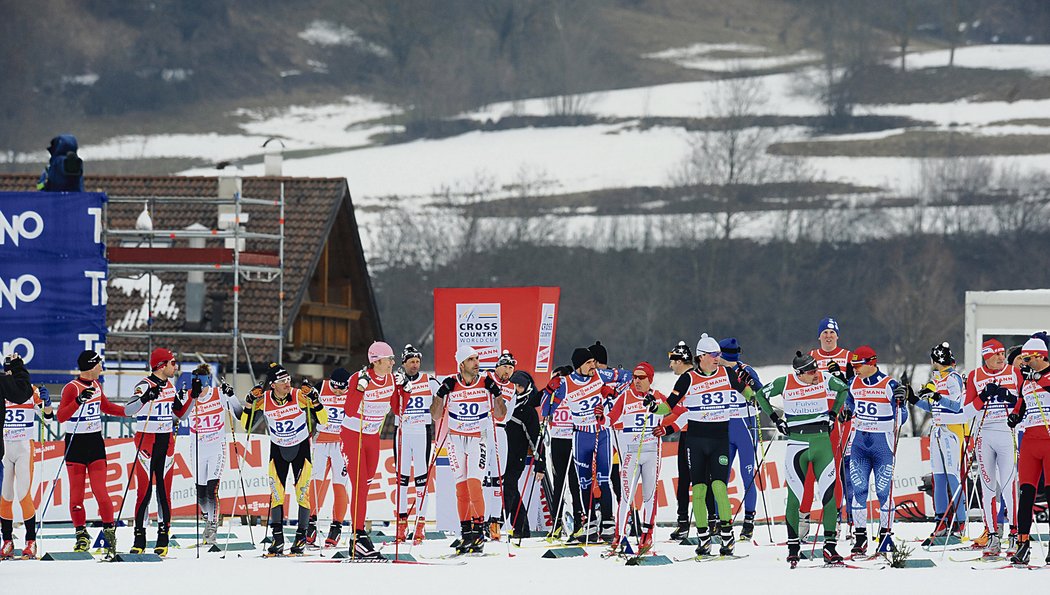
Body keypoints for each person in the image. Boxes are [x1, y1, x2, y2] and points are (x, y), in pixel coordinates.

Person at [650, 333, 754, 557]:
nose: (718, 358)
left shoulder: (727, 373)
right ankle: (704, 539)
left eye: (719, 354)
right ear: (701, 357)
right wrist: (652, 407)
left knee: (718, 487)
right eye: (714, 355)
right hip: (695, 441)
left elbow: (747, 392)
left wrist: (754, 393)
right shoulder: (687, 379)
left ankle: (727, 537)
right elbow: (668, 407)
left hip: (719, 439)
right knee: (698, 490)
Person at [753, 351, 850, 567]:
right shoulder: (785, 382)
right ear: (799, 372)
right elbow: (760, 395)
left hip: (822, 443)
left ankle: (830, 546)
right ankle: (793, 547)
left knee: (828, 495)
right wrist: (776, 419)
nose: (816, 374)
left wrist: (834, 413)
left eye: (817, 369)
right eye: (811, 371)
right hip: (797, 444)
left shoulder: (824, 378)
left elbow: (843, 388)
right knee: (795, 496)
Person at [242, 362, 327, 556]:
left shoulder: (299, 395)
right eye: (282, 381)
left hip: (300, 450)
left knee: (302, 494)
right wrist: (248, 404)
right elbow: (246, 425)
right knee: (277, 494)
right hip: (278, 450)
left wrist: (315, 400)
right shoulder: (263, 400)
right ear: (272, 384)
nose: (287, 384)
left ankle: (301, 537)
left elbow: (323, 420)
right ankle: (277, 538)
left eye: (288, 379)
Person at [543, 346, 625, 543]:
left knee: (604, 479)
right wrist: (549, 390)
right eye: (588, 363)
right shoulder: (567, 383)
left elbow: (626, 376)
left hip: (601, 433)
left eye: (593, 362)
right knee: (584, 482)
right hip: (581, 435)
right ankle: (588, 523)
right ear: (579, 365)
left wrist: (613, 392)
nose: (593, 365)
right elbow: (546, 409)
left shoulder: (599, 375)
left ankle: (607, 522)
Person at [433, 346, 506, 554]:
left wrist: (496, 393)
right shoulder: (451, 383)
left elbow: (500, 415)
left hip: (478, 438)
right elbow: (436, 415)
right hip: (455, 438)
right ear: (462, 363)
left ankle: (478, 534)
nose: (477, 363)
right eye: (472, 359)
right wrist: (440, 394)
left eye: (477, 358)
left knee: (475, 484)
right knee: (461, 488)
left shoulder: (485, 382)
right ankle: (466, 534)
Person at [56, 350, 130, 556]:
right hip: (76, 445)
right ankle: (81, 535)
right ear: (90, 366)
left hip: (95, 443)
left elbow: (106, 407)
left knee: (100, 491)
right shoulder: (71, 388)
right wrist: (78, 401)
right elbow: (61, 416)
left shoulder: (97, 385)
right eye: (99, 364)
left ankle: (109, 533)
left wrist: (130, 410)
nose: (101, 367)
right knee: (76, 496)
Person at [123, 348, 193, 556]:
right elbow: (128, 410)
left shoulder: (170, 386)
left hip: (165, 441)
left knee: (164, 492)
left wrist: (193, 397)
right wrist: (145, 398)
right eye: (172, 363)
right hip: (146, 440)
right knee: (144, 492)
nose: (176, 366)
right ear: (162, 365)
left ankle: (163, 537)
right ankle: (139, 539)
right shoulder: (144, 384)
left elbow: (180, 414)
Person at [846, 345, 909, 555]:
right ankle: (860, 538)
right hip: (859, 446)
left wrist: (902, 403)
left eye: (858, 365)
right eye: (853, 365)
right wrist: (846, 412)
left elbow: (903, 419)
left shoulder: (888, 384)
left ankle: (885, 536)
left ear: (871, 363)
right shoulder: (853, 383)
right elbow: (849, 403)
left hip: (883, 446)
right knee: (859, 490)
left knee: (884, 492)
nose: (855, 369)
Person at [342, 342, 400, 559]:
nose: (393, 363)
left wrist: (405, 390)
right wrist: (360, 389)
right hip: (352, 435)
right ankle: (357, 536)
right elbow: (348, 410)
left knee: (365, 486)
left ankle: (358, 537)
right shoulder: (359, 378)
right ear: (376, 361)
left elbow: (397, 408)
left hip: (372, 437)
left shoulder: (392, 379)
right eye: (389, 359)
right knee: (358, 484)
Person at [965, 338, 1022, 555]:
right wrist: (982, 397)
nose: (1001, 357)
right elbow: (967, 411)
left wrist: (1008, 397)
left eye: (1001, 353)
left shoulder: (1013, 373)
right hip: (984, 435)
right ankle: (992, 536)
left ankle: (1015, 535)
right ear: (986, 356)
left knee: (1008, 487)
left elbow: (1023, 401)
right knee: (988, 489)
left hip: (1007, 434)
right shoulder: (975, 376)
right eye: (996, 354)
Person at [799, 316, 853, 539]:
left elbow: (855, 386)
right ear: (819, 336)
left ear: (837, 336)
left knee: (835, 469)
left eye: (832, 333)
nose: (828, 336)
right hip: (815, 414)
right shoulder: (812, 356)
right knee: (809, 468)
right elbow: (801, 383)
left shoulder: (848, 356)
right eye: (824, 333)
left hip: (839, 417)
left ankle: (838, 518)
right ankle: (804, 519)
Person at [606, 362, 668, 551]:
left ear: (650, 379)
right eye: (635, 377)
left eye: (642, 378)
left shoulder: (658, 398)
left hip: (652, 454)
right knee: (626, 496)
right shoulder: (625, 397)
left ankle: (646, 536)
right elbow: (610, 419)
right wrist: (601, 417)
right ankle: (619, 536)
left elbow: (680, 413)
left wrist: (666, 428)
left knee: (649, 495)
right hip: (631, 454)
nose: (637, 381)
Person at [910, 343, 967, 544]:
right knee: (939, 478)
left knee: (953, 477)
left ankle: (960, 523)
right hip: (937, 431)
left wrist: (936, 396)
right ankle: (941, 522)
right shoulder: (937, 378)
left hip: (952, 431)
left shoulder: (953, 378)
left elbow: (957, 406)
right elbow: (935, 407)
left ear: (936, 360)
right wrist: (914, 399)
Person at [185, 364, 243, 546]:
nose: (199, 392)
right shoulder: (189, 396)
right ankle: (207, 515)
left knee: (211, 490)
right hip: (197, 448)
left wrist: (231, 395)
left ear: (207, 383)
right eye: (196, 388)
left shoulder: (218, 394)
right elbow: (177, 416)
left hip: (216, 447)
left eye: (201, 388)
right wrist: (187, 400)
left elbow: (240, 414)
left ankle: (212, 524)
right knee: (200, 493)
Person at [710, 337, 762, 540]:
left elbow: (761, 392)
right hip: (724, 428)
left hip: (745, 427)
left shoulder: (745, 370)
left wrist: (750, 381)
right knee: (718, 478)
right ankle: (719, 521)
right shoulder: (716, 372)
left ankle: (748, 522)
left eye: (717, 355)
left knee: (747, 475)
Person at [1006, 334, 1050, 566]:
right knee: (1025, 494)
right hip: (1030, 442)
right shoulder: (1026, 380)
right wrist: (1015, 415)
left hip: (1048, 439)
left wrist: (1038, 378)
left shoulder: (1045, 375)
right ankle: (1023, 545)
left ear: (1039, 356)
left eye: (1027, 358)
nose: (1023, 363)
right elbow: (1021, 404)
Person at [1, 379, 50, 559]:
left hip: (24, 448)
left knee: (23, 494)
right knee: (5, 496)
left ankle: (31, 541)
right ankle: (7, 541)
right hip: (5, 447)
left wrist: (47, 403)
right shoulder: (2, 388)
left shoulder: (31, 390)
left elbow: (48, 417)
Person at [392, 345, 435, 544]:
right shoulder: (396, 380)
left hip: (422, 432)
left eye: (417, 362)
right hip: (402, 432)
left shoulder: (428, 380)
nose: (415, 365)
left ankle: (420, 525)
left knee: (421, 479)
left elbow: (443, 395)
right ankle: (401, 525)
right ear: (404, 363)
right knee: (401, 480)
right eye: (411, 362)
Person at [307, 367, 351, 548]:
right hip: (321, 441)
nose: (338, 391)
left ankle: (336, 527)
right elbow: (308, 411)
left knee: (339, 485)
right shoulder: (321, 387)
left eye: (342, 388)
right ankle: (310, 523)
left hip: (342, 444)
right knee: (317, 482)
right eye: (335, 387)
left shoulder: (355, 391)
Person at [504, 370, 545, 538]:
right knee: (511, 490)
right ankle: (521, 528)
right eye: (513, 386)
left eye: (519, 386)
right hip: (500, 455)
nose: (516, 389)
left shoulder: (528, 410)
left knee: (508, 489)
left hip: (516, 457)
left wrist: (540, 465)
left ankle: (497, 524)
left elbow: (536, 439)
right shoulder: (504, 404)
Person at [483, 350, 517, 540]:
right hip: (483, 429)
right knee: (482, 476)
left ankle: (494, 522)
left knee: (498, 476)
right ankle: (479, 519)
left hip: (501, 430)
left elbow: (508, 414)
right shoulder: (486, 378)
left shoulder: (512, 388)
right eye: (505, 366)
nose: (507, 371)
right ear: (497, 366)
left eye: (511, 368)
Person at [666, 341, 694, 540]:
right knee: (685, 480)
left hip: (697, 434)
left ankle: (712, 524)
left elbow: (677, 408)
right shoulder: (688, 377)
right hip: (687, 433)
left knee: (698, 481)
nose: (670, 366)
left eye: (672, 362)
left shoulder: (687, 379)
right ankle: (683, 523)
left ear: (681, 361)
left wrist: (667, 427)